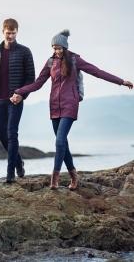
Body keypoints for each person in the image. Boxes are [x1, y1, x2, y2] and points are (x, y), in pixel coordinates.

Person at [11, 30, 133, 190]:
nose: (57, 51)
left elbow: (97, 72)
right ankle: (74, 175)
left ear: (65, 47)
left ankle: (54, 178)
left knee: (59, 141)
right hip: (54, 106)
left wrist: (121, 81)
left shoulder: (75, 60)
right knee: (63, 144)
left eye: (59, 48)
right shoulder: (50, 62)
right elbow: (38, 83)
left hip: (70, 104)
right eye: (54, 48)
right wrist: (19, 91)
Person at [0, 18, 35, 183]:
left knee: (12, 134)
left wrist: (21, 94)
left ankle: (10, 173)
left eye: (13, 33)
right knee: (1, 134)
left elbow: (31, 79)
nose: (10, 36)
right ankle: (18, 161)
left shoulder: (24, 52)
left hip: (15, 100)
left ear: (17, 32)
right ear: (3, 32)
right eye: (8, 33)